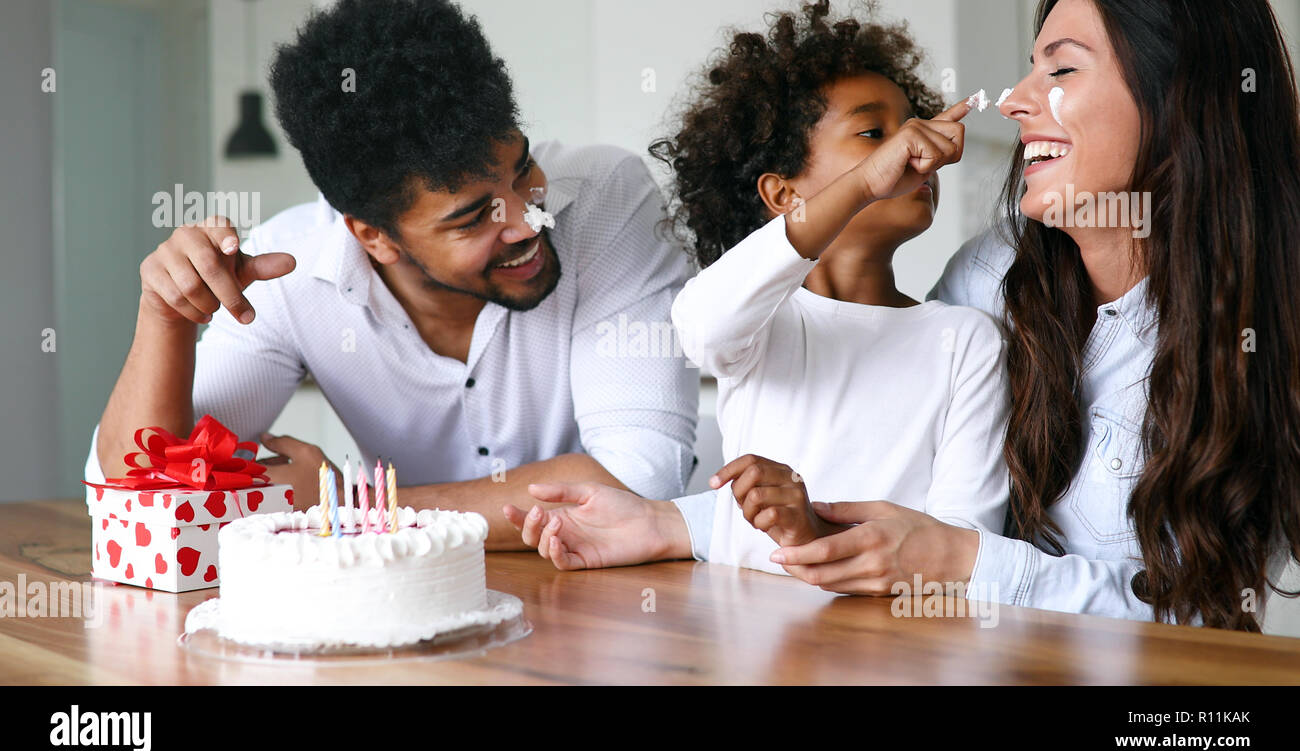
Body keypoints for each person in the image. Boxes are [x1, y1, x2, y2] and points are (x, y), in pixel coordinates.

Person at [509, 0, 1300, 635]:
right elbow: (873, 492)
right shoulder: (990, 282)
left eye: (1061, 69)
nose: (1018, 102)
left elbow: (1199, 619)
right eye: (1030, 68)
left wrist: (960, 561)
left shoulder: (1260, 331)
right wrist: (669, 524)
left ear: (1177, 98)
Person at [85, 0, 698, 551]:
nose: (528, 221)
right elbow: (131, 490)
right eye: (473, 217)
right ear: (373, 237)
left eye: (522, 169)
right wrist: (163, 317)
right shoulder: (291, 269)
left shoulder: (605, 198)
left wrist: (352, 510)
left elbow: (638, 480)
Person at [510, 0, 1010, 586]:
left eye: (911, 126)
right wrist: (866, 183)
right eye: (875, 133)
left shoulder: (965, 339)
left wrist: (816, 536)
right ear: (781, 195)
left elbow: (962, 550)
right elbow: (697, 324)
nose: (910, 149)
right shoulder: (759, 321)